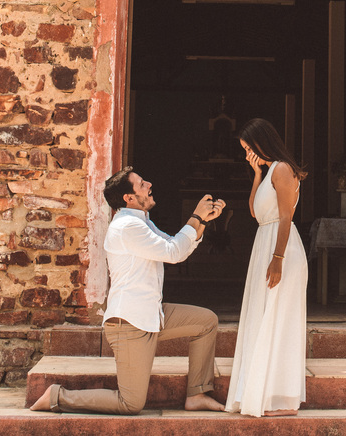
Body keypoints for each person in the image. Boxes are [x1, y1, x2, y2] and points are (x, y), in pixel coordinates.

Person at [29, 168, 228, 414]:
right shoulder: (127, 227)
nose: (149, 184)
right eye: (142, 184)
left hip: (152, 315)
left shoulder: (142, 223)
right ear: (129, 198)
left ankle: (197, 393)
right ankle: (57, 397)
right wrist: (196, 216)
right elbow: (174, 252)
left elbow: (178, 247)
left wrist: (202, 220)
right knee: (131, 403)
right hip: (129, 324)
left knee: (206, 322)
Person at [224, 118, 308, 417]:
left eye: (249, 148)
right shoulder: (269, 170)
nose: (248, 153)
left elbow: (286, 217)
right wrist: (256, 173)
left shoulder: (283, 169)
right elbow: (253, 210)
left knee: (278, 318)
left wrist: (278, 259)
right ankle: (265, 392)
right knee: (263, 316)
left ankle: (283, 399)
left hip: (280, 247)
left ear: (262, 142)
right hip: (266, 241)